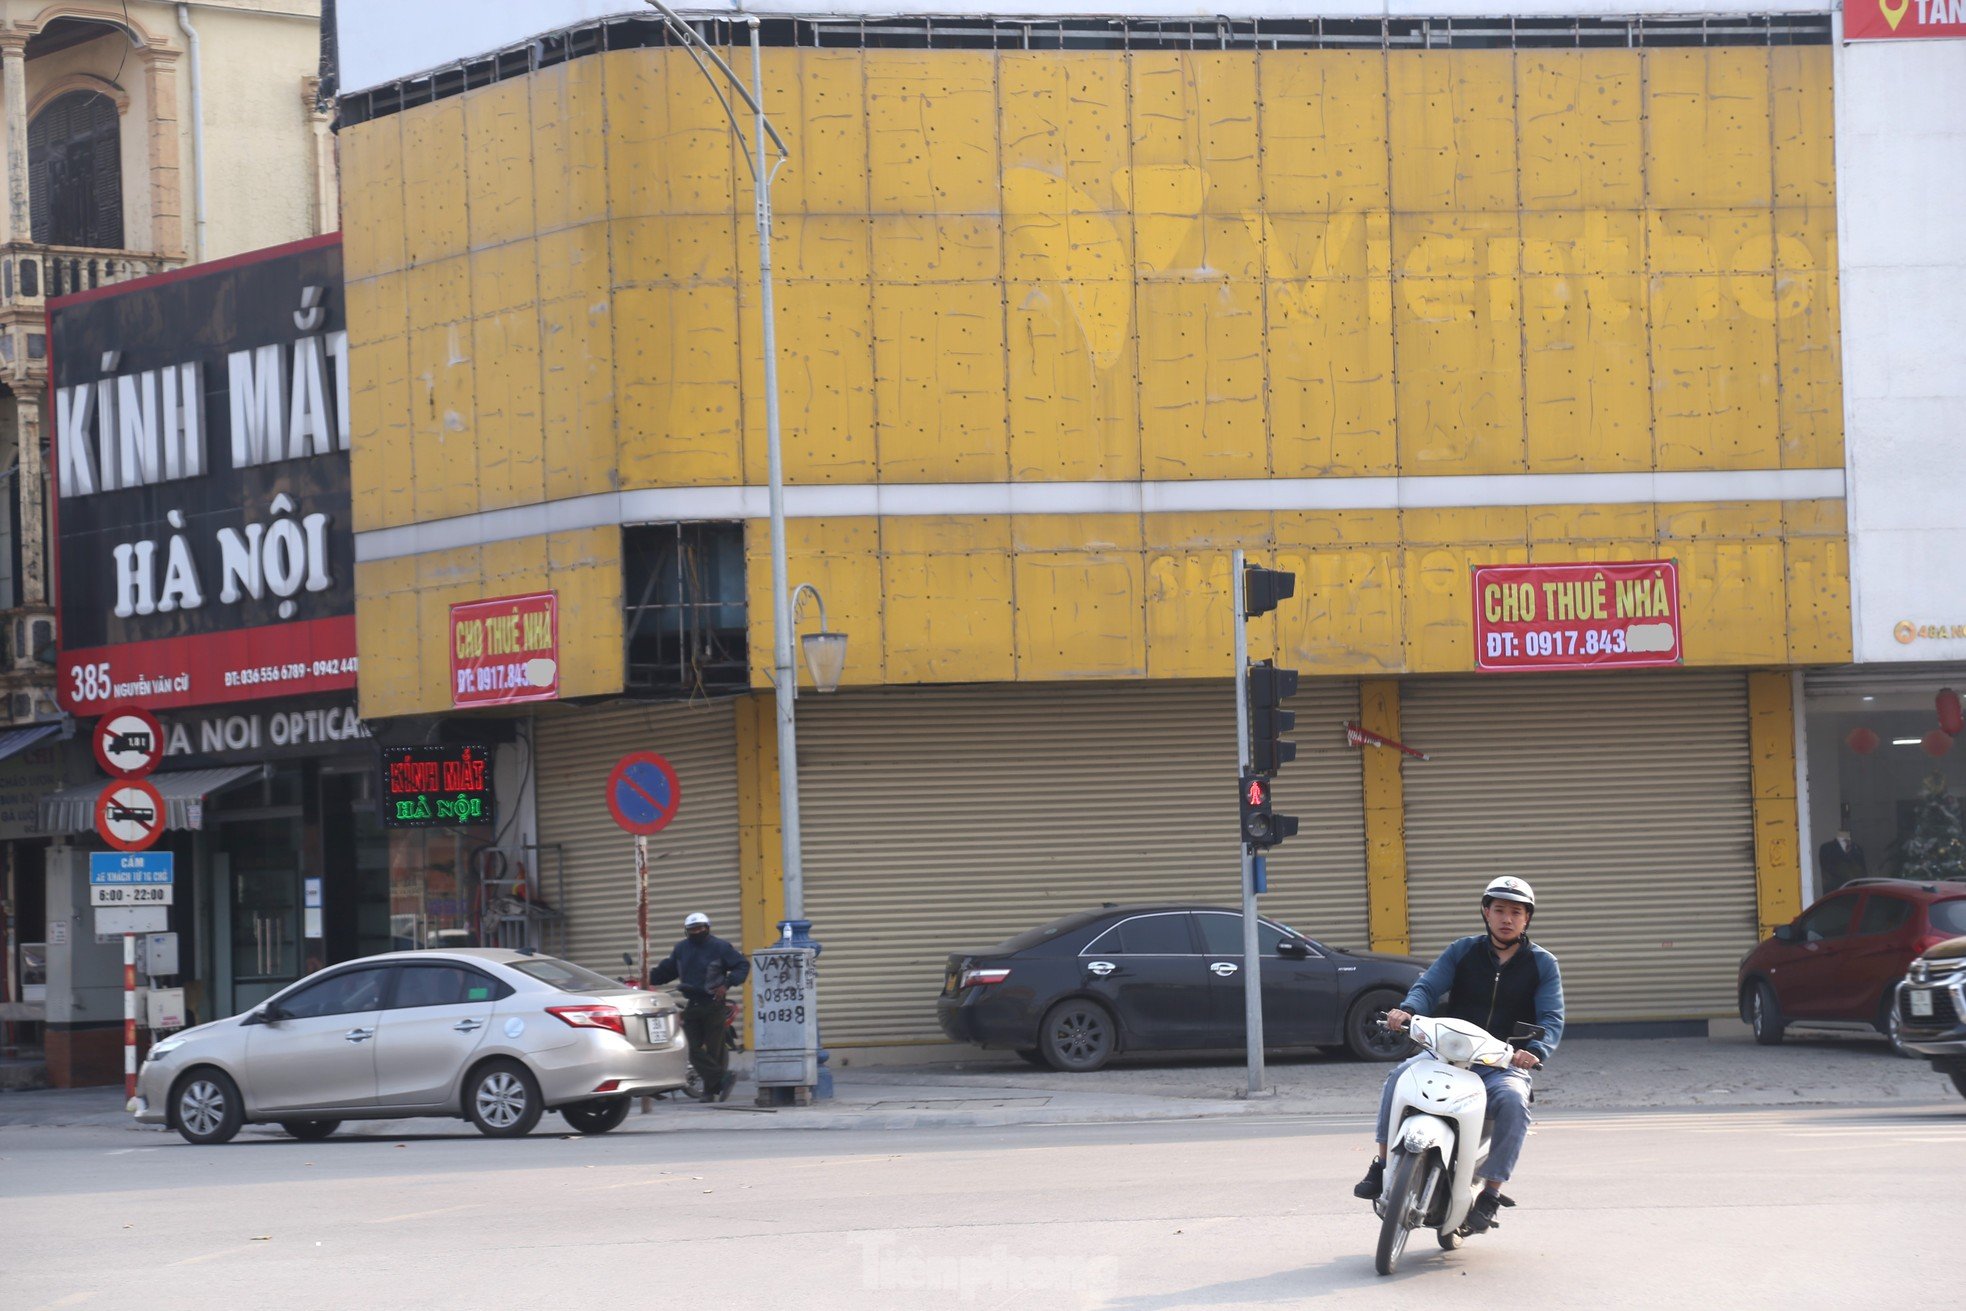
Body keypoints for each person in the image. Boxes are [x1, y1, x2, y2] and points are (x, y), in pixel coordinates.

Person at [1352, 876, 1565, 1234]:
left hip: (1501, 1062)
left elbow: (1551, 1016)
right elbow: (1428, 986)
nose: (1507, 919)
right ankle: (1383, 1164)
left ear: (1527, 918)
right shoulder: (1462, 950)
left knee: (1514, 1103)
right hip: (1446, 1053)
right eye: (1499, 910)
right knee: (1398, 1078)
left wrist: (1534, 1049)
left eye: (1516, 912)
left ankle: (1491, 1193)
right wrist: (1407, 1010)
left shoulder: (1542, 964)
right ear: (1486, 912)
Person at [649, 912, 750, 1103]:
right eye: (693, 929)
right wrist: (646, 978)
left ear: (707, 928)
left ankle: (710, 1092)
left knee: (715, 1048)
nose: (697, 932)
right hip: (693, 1004)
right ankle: (722, 1079)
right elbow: (666, 970)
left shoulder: (720, 947)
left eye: (701, 928)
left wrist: (727, 984)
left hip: (714, 1003)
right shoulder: (681, 949)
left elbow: (742, 965)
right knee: (689, 1047)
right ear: (686, 931)